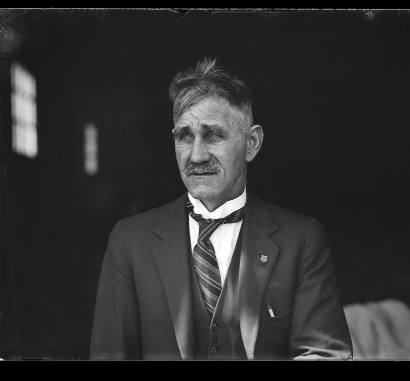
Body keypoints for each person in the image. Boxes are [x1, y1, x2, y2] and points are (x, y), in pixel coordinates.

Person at [90, 57, 352, 360]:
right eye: (185, 137)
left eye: (213, 135)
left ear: (252, 143)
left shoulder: (302, 239)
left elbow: (323, 353)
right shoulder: (130, 240)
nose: (197, 155)